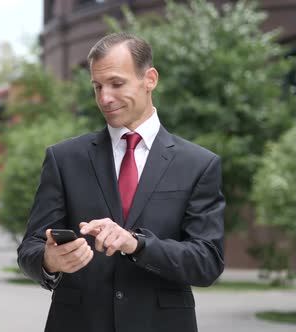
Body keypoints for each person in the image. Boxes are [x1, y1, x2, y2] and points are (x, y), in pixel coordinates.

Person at [17, 32, 225, 332]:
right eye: (97, 86)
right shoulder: (63, 159)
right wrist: (48, 260)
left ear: (149, 79)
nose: (104, 98)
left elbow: (207, 262)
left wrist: (136, 244)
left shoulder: (198, 164)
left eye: (116, 84)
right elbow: (29, 249)